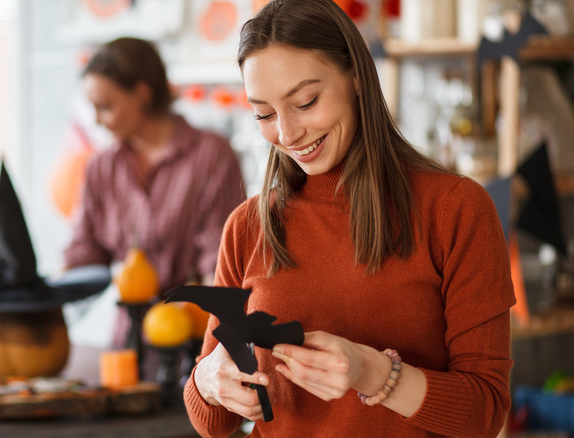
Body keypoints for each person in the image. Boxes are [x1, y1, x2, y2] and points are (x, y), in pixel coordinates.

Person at [183, 1, 516, 437]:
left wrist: (376, 374)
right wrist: (208, 382)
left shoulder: (455, 208)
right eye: (264, 113)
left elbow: (486, 413)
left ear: (357, 78)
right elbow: (213, 423)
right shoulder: (249, 226)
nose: (286, 134)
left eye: (306, 102)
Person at [62, 37, 246, 339]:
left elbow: (220, 263)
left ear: (142, 94)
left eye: (106, 106)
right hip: (128, 344)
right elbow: (84, 254)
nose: (97, 120)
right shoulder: (101, 167)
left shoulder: (211, 155)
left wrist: (220, 346)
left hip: (193, 337)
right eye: (92, 108)